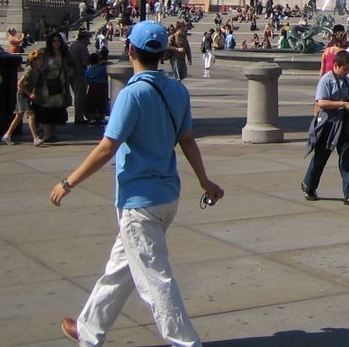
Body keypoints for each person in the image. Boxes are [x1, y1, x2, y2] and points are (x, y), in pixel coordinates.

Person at [51, 20, 224, 347]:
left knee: (155, 278)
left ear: (130, 49)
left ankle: (186, 342)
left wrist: (68, 181)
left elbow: (106, 148)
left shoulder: (131, 93)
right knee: (121, 267)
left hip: (139, 199)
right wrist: (204, 180)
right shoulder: (177, 89)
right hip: (167, 196)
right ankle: (88, 328)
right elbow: (187, 140)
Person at [301, 50, 349, 207]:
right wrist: (342, 104)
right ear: (336, 65)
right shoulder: (326, 80)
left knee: (347, 158)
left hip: (344, 124)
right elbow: (321, 102)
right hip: (328, 124)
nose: (347, 72)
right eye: (345, 69)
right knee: (321, 157)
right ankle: (309, 185)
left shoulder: (347, 80)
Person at [3, 48, 43, 145]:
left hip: (27, 93)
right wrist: (29, 94)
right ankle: (35, 138)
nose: (41, 61)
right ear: (34, 61)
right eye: (39, 59)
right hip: (22, 94)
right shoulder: (29, 70)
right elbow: (20, 83)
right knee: (31, 115)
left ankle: (7, 135)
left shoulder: (38, 70)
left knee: (19, 116)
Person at [68, 30, 92, 124]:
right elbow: (85, 62)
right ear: (83, 38)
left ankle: (86, 115)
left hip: (72, 74)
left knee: (79, 95)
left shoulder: (73, 45)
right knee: (80, 97)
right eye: (87, 39)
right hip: (80, 74)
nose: (88, 41)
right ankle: (79, 118)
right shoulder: (82, 47)